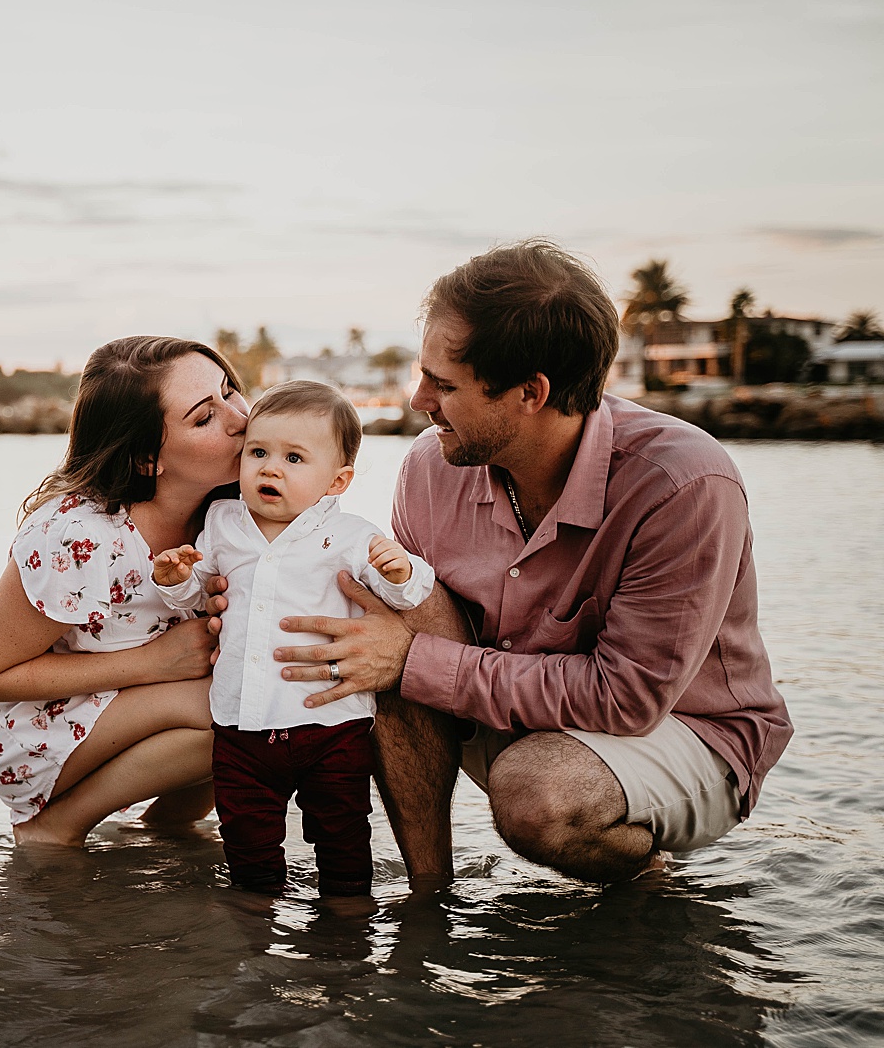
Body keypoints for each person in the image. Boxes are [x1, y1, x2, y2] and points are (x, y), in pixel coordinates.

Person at [266, 240, 794, 885]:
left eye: (444, 384)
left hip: (686, 730)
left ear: (529, 393)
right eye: (422, 373)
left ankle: (647, 883)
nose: (418, 401)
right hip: (506, 706)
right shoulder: (432, 466)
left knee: (537, 796)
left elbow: (627, 698)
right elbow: (400, 638)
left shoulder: (683, 485)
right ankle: (430, 899)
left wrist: (412, 661)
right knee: (382, 616)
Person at [0, 335, 249, 846]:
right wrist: (154, 663)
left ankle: (171, 835)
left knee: (267, 693)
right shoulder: (82, 535)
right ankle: (55, 827)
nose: (240, 416)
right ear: (149, 458)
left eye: (230, 391)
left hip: (123, 691)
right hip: (20, 726)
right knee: (238, 705)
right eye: (204, 418)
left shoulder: (231, 514)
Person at [151, 380, 434, 899]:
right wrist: (175, 581)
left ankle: (347, 926)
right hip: (241, 725)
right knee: (246, 840)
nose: (270, 468)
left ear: (337, 480)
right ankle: (256, 927)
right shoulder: (222, 522)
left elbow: (411, 596)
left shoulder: (350, 536)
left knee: (342, 834)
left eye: (294, 458)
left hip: (330, 726)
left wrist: (399, 572)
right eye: (257, 452)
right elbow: (201, 595)